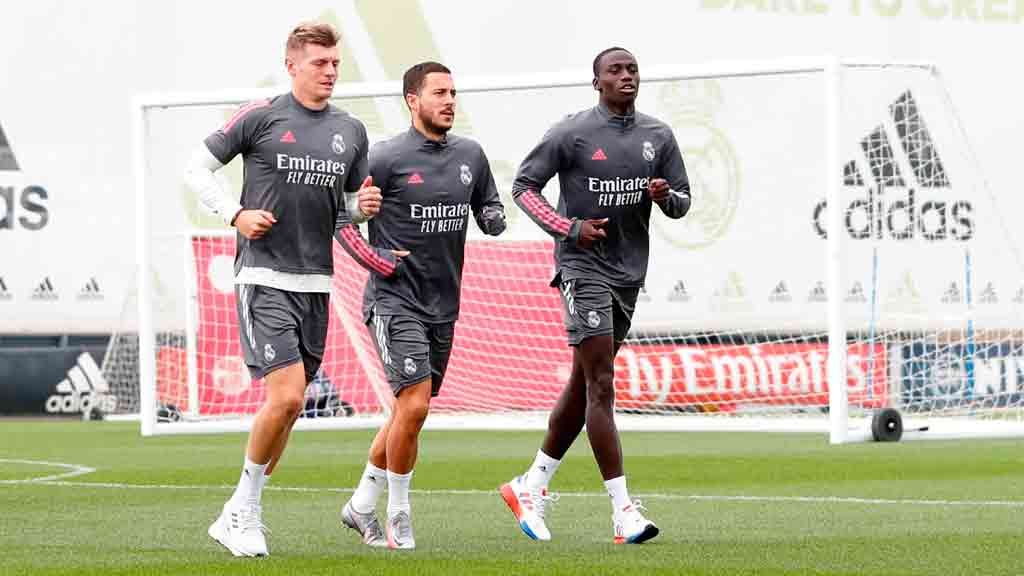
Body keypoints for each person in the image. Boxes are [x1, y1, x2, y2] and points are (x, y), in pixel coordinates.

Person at [183, 22, 382, 557]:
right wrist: (236, 214)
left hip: (318, 284)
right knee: (288, 394)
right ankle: (244, 511)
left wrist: (357, 209)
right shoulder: (261, 115)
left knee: (291, 409)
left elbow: (341, 210)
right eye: (320, 63)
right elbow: (196, 169)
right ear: (292, 65)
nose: (331, 72)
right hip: (263, 277)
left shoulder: (351, 131)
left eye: (336, 63)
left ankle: (235, 512)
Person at [500, 47, 691, 544]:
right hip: (582, 267)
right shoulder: (572, 132)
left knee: (584, 384)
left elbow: (683, 203)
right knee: (602, 383)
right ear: (596, 82)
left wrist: (664, 197)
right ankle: (623, 512)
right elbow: (523, 187)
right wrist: (569, 228)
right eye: (615, 70)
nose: (626, 76)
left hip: (628, 273)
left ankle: (531, 484)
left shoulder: (658, 136)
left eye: (632, 69)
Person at [335, 61, 506, 550]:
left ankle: (359, 506)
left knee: (411, 411)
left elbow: (488, 204)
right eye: (439, 93)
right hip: (393, 301)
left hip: (443, 304)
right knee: (412, 403)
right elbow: (341, 219)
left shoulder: (471, 153)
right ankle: (399, 514)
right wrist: (377, 258)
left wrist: (492, 218)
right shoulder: (384, 158)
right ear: (413, 100)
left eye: (453, 92)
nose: (450, 100)